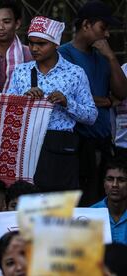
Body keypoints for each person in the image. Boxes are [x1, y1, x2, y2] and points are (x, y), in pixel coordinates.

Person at [6, 16, 97, 192]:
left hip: (61, 149)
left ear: (56, 43)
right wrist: (25, 101)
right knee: (27, 202)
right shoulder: (21, 72)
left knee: (57, 207)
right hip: (26, 145)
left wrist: (67, 103)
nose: (34, 48)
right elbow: (7, 112)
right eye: (31, 43)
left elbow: (91, 116)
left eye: (41, 44)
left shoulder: (75, 73)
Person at [58, 0, 127, 206]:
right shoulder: (63, 54)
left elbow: (122, 93)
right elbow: (67, 98)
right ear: (86, 25)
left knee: (101, 203)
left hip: (103, 141)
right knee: (81, 204)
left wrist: (111, 57)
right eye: (103, 28)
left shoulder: (103, 57)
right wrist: (106, 101)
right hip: (77, 143)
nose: (106, 34)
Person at [91, 158, 127, 245]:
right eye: (110, 179)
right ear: (104, 183)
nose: (115, 185)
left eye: (121, 180)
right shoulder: (90, 214)